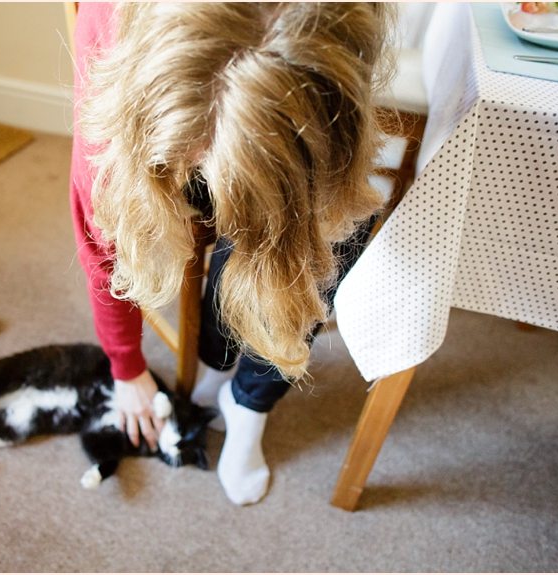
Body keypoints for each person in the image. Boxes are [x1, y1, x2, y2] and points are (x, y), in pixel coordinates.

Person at [70, 2, 392, 505]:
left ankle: (249, 401)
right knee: (156, 205)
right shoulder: (116, 54)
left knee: (338, 226)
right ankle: (216, 360)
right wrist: (126, 367)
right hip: (163, 129)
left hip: (298, 109)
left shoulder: (338, 31)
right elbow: (101, 240)